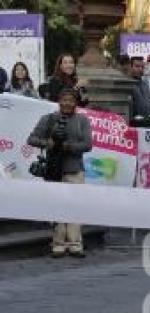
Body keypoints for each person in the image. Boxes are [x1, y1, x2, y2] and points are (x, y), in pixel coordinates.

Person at [26, 88, 92, 258]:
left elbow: (87, 144)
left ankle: (75, 244)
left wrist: (69, 147)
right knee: (56, 208)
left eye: (71, 100)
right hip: (53, 170)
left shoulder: (82, 120)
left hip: (74, 169)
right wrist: (47, 143)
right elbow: (31, 139)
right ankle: (58, 244)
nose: (67, 104)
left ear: (76, 103)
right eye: (64, 100)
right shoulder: (48, 119)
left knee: (75, 208)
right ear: (59, 101)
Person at [128, 56, 150, 120]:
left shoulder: (145, 84)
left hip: (147, 121)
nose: (140, 69)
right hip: (133, 122)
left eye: (142, 67)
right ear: (130, 67)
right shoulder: (127, 84)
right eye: (137, 66)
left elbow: (149, 102)